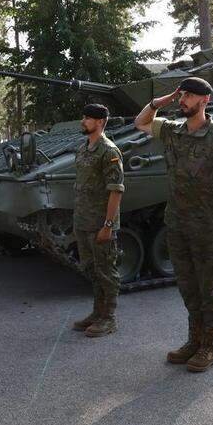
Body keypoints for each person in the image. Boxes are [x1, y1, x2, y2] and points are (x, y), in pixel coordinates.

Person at [134, 77, 213, 372]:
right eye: (182, 95)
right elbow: (141, 122)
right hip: (177, 224)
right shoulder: (173, 131)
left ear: (204, 100)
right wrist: (164, 100)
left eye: (189, 96)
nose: (183, 100)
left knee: (208, 288)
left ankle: (208, 346)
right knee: (187, 286)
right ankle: (194, 340)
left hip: (207, 228)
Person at [71, 103, 125, 337]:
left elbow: (116, 190)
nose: (83, 121)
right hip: (83, 221)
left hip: (101, 223)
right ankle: (97, 312)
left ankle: (109, 318)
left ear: (100, 122)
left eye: (88, 118)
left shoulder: (109, 151)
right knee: (91, 269)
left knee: (106, 271)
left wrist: (108, 225)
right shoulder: (84, 148)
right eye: (84, 117)